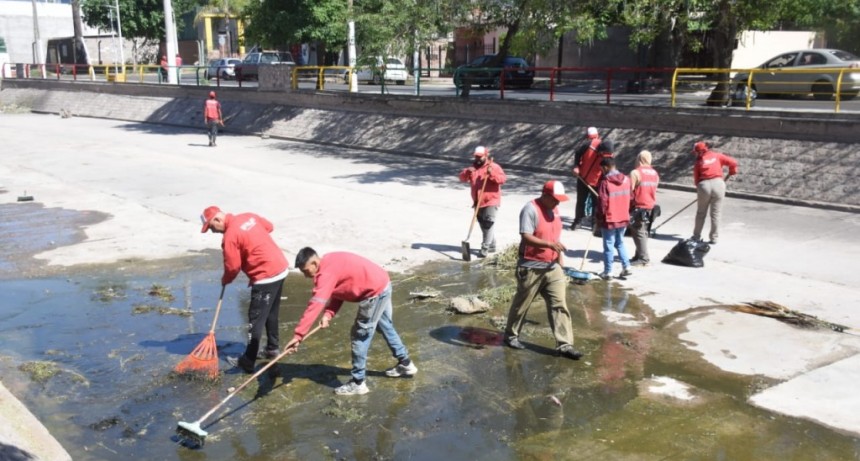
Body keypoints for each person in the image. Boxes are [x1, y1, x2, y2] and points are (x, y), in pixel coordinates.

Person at [285, 247, 417, 396]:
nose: (305, 276)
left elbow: (315, 304)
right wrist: (328, 314)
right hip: (382, 283)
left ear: (314, 263)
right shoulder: (329, 260)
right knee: (384, 325)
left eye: (305, 271)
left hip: (374, 293)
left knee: (360, 335)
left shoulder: (325, 274)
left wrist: (298, 335)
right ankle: (405, 363)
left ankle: (358, 382)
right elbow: (339, 290)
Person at [200, 206, 290, 374]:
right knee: (271, 313)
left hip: (266, 276)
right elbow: (269, 226)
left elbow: (233, 267)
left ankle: (248, 360)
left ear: (217, 220)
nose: (213, 232)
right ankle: (272, 348)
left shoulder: (230, 237)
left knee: (255, 319)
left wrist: (226, 279)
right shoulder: (248, 216)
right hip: (281, 267)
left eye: (211, 228)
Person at [503, 180, 583, 360]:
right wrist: (549, 245)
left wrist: (559, 259)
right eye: (555, 199)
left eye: (559, 200)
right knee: (522, 304)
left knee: (559, 304)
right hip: (531, 266)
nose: (558, 203)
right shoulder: (530, 209)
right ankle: (511, 335)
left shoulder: (554, 209)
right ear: (545, 195)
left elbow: (555, 235)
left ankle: (565, 344)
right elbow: (526, 236)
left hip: (552, 266)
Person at [458, 146, 508, 257]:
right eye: (476, 156)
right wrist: (466, 172)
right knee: (483, 224)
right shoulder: (473, 168)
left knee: (488, 224)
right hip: (478, 201)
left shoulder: (494, 167)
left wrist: (491, 174)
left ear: (486, 156)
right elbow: (461, 178)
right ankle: (492, 244)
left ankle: (485, 248)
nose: (478, 158)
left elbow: (503, 179)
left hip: (491, 200)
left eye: (480, 157)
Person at [691, 141, 739, 244]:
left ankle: (696, 236)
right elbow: (733, 163)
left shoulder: (698, 162)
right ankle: (714, 238)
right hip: (719, 184)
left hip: (704, 185)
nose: (695, 154)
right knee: (716, 213)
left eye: (695, 152)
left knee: (701, 213)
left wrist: (701, 191)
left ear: (699, 152)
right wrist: (732, 171)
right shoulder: (717, 156)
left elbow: (696, 179)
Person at [596, 157, 632, 280]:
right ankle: (626, 266)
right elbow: (631, 198)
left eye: (601, 169)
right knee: (620, 242)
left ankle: (608, 271)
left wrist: (599, 218)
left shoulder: (605, 182)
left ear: (606, 167)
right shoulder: (627, 180)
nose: (601, 172)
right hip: (623, 217)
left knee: (608, 245)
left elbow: (602, 203)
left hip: (610, 219)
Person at [628, 150, 659, 266]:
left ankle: (643, 258)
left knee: (638, 231)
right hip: (650, 206)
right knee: (643, 231)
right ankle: (639, 254)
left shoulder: (635, 172)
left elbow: (629, 191)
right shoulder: (655, 173)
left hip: (639, 205)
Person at [570, 127, 601, 230]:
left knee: (595, 202)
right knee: (582, 201)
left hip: (596, 180)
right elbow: (578, 153)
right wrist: (576, 166)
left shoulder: (603, 147)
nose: (591, 140)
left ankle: (594, 224)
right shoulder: (586, 145)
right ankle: (578, 222)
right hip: (583, 178)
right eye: (590, 138)